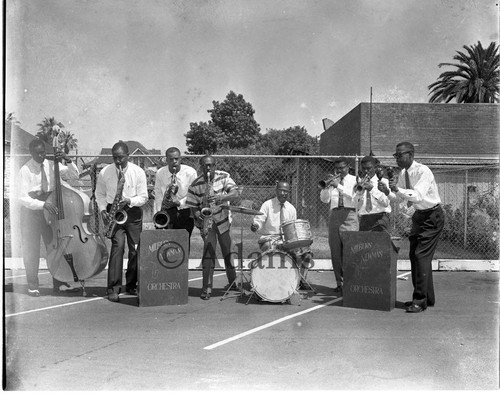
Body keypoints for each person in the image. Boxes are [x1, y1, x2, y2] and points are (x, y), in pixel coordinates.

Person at [379, 142, 444, 313]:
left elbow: (417, 195)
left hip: (432, 216)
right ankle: (427, 298)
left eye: (400, 155)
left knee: (420, 255)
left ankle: (419, 300)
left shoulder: (423, 171)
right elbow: (398, 198)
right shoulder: (403, 173)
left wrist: (397, 188)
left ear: (411, 155)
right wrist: (387, 191)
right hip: (420, 216)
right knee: (416, 256)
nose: (397, 158)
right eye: (396, 155)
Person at [18, 138, 80, 296]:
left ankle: (59, 283)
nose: (42, 155)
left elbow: (74, 175)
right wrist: (42, 204)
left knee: (54, 247)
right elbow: (22, 198)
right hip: (31, 212)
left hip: (49, 210)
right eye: (38, 153)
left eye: (43, 152)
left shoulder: (52, 165)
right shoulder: (25, 170)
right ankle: (33, 285)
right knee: (31, 250)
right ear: (31, 153)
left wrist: (68, 159)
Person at [96, 141, 148, 302]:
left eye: (121, 157)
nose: (118, 161)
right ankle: (113, 288)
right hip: (114, 210)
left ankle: (132, 284)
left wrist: (129, 200)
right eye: (115, 158)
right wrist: (103, 210)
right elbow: (100, 194)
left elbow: (144, 196)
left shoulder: (138, 172)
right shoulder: (105, 172)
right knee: (117, 247)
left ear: (128, 156)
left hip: (132, 211)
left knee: (135, 249)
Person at [186, 155, 239, 300]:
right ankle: (207, 288)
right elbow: (192, 207)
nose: (208, 168)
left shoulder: (224, 177)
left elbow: (236, 193)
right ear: (200, 167)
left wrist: (222, 198)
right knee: (208, 255)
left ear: (215, 165)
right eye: (205, 165)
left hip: (223, 222)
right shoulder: (195, 184)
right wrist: (199, 215)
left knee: (228, 253)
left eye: (211, 165)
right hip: (207, 224)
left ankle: (232, 281)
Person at [250, 181, 313, 288]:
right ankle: (267, 281)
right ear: (276, 190)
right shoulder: (267, 205)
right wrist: (256, 225)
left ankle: (299, 280)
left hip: (287, 240)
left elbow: (293, 230)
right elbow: (259, 220)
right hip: (269, 238)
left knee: (306, 253)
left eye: (286, 191)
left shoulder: (291, 208)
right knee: (271, 247)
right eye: (282, 190)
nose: (284, 193)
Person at [319, 157, 359, 293]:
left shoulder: (355, 180)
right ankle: (339, 283)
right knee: (335, 251)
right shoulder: (333, 181)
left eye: (342, 168)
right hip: (335, 215)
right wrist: (327, 187)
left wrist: (338, 186)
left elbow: (354, 197)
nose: (339, 171)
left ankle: (352, 282)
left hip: (350, 215)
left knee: (350, 250)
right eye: (337, 168)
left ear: (348, 167)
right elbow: (325, 200)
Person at [154, 147, 197, 239]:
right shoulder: (160, 173)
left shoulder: (190, 172)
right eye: (171, 159)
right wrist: (158, 212)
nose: (174, 161)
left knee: (183, 244)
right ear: (166, 160)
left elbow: (193, 195)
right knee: (165, 242)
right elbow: (158, 194)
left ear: (180, 159)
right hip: (166, 211)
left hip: (185, 210)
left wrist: (179, 203)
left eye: (176, 159)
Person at [353, 155, 391, 232]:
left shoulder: (383, 182)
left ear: (375, 168)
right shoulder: (359, 183)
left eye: (369, 168)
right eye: (364, 168)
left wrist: (372, 189)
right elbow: (355, 205)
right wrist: (360, 194)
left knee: (380, 243)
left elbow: (386, 203)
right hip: (364, 219)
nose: (366, 171)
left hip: (380, 218)